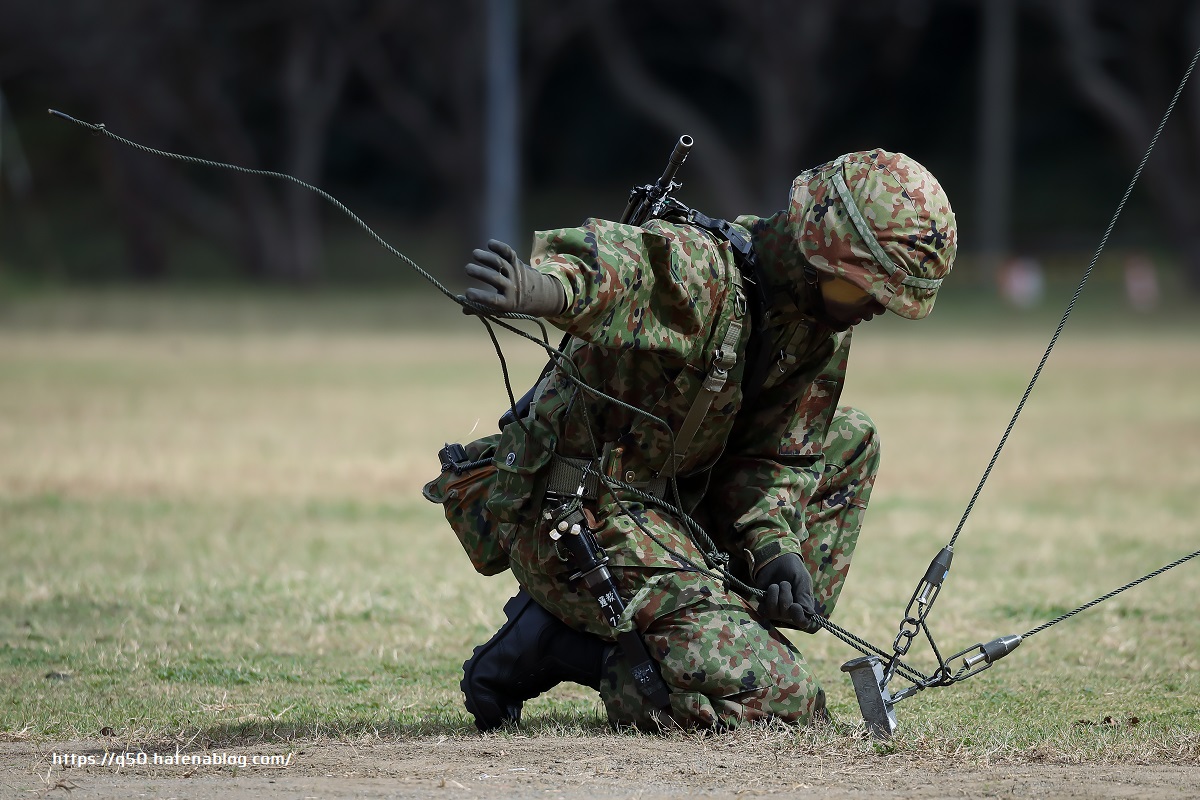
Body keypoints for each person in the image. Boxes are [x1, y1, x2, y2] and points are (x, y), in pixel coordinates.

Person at [425, 149, 957, 731]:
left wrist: (775, 551)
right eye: (867, 292)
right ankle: (572, 648)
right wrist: (542, 289)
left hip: (674, 503)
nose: (875, 310)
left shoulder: (818, 328)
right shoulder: (706, 272)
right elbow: (633, 268)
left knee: (852, 438)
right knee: (780, 705)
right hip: (580, 514)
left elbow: (778, 456)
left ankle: (710, 638)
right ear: (819, 252)